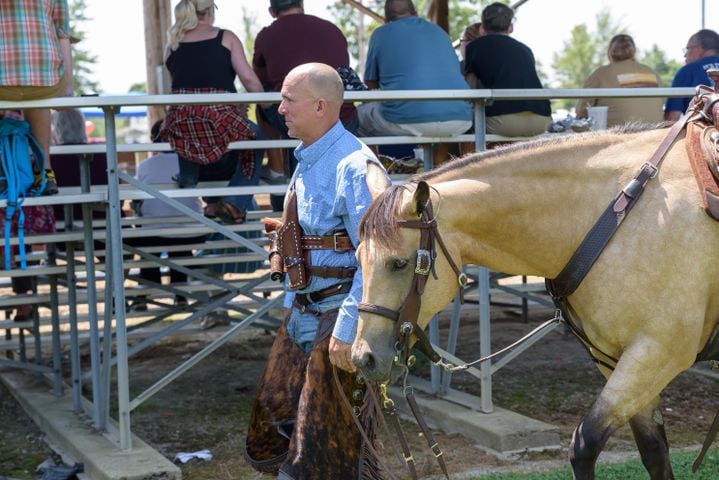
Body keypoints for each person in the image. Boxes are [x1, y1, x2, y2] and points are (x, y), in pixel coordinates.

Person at [244, 63, 389, 479]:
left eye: (289, 100)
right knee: (272, 426)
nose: (280, 108)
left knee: (323, 446)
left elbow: (374, 256)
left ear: (321, 106)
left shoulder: (354, 166)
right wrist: (294, 308)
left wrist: (347, 331)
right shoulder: (309, 158)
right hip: (304, 312)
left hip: (337, 316)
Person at [158, 0, 264, 223]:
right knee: (256, 138)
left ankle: (195, 183)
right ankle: (235, 204)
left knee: (190, 129)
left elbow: (175, 91)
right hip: (219, 119)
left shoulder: (172, 45)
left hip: (182, 124)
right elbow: (248, 78)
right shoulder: (225, 37)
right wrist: (266, 102)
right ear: (208, 11)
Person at [252, 0, 359, 191]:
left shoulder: (266, 35)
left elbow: (260, 77)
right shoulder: (331, 29)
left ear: (271, 11)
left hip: (300, 121)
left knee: (264, 103)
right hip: (343, 116)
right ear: (301, 4)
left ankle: (277, 168)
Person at [356, 0, 473, 138]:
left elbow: (371, 83)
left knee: (354, 118)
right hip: (461, 120)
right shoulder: (440, 32)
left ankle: (383, 160)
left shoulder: (380, 34)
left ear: (386, 20)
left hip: (406, 121)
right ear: (416, 13)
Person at [126, 121, 207, 311]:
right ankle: (180, 295)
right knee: (180, 245)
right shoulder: (192, 161)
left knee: (150, 248)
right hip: (191, 232)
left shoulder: (146, 165)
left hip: (155, 233)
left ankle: (143, 295)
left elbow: (138, 200)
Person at [0, 0, 75, 196]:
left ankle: (5, 171)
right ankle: (45, 171)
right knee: (39, 99)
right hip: (46, 77)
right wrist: (68, 85)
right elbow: (62, 33)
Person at [464, 2, 552, 137]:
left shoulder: (474, 47)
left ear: (482, 29)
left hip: (503, 121)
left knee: (467, 122)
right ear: (510, 28)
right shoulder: (526, 49)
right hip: (542, 119)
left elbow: (470, 91)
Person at [575, 34, 663, 127]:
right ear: (634, 51)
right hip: (656, 136)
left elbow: (582, 113)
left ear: (610, 53)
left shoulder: (601, 74)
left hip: (618, 138)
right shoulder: (653, 74)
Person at [665, 29, 719, 121]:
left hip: (701, 131)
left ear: (699, 49)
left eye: (687, 49)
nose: (685, 55)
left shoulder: (687, 71)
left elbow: (672, 116)